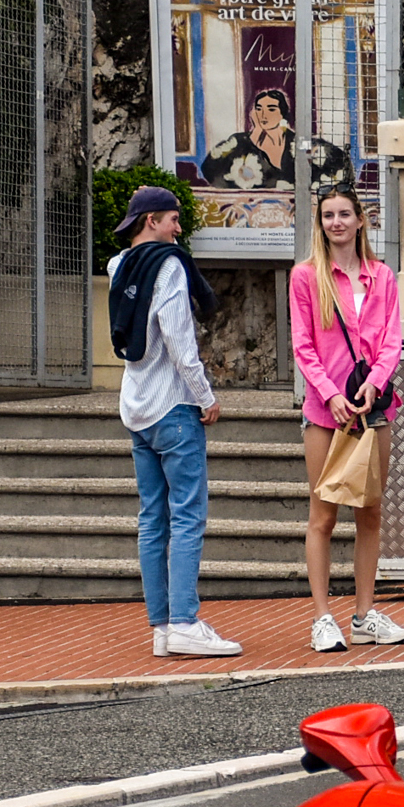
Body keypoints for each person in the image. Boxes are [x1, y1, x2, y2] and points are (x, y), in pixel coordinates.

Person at [105, 185, 238, 658]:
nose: (179, 228)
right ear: (151, 221)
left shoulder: (120, 267)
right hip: (175, 408)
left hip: (136, 408)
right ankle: (184, 620)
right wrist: (206, 398)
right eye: (173, 219)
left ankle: (161, 628)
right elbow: (180, 342)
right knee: (187, 517)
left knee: (151, 520)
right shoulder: (169, 267)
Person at [289, 185, 404, 653]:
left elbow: (393, 341)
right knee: (323, 513)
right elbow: (303, 345)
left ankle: (364, 613)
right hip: (326, 412)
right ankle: (322, 616)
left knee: (371, 511)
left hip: (374, 409)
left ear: (361, 219)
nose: (336, 222)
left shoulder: (382, 277)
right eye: (327, 216)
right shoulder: (306, 277)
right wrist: (329, 393)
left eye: (344, 214)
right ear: (320, 224)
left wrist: (375, 383)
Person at [200, 89, 350, 193]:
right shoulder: (241, 142)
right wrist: (255, 134)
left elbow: (339, 162)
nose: (263, 115)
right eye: (259, 109)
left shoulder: (299, 143)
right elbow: (210, 168)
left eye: (271, 109)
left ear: (282, 114)